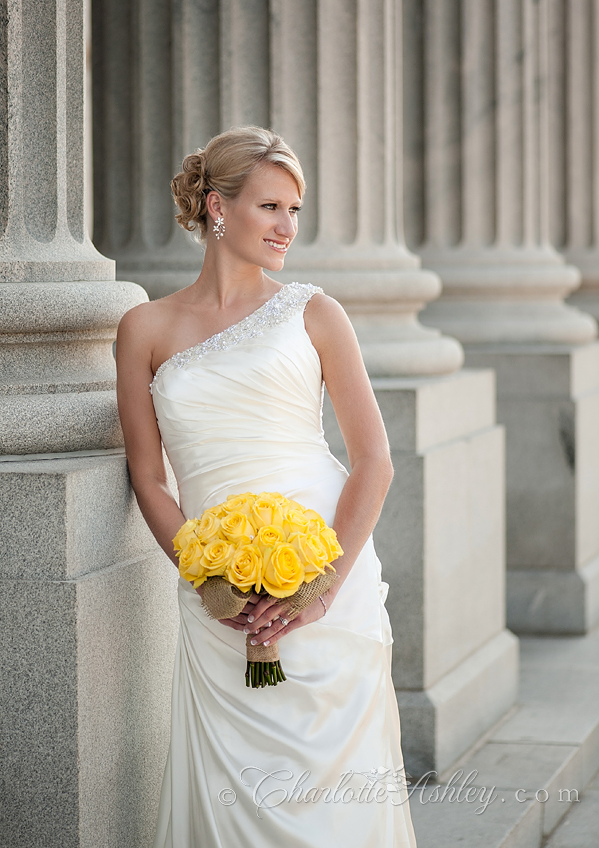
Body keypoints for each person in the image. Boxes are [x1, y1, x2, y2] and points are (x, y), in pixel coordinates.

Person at [116, 125, 418, 848]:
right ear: (217, 207)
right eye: (270, 207)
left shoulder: (314, 312)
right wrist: (204, 574)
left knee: (328, 787)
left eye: (295, 210)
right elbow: (147, 477)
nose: (287, 227)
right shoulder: (144, 327)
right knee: (233, 789)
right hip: (214, 585)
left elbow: (373, 459)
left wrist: (323, 586)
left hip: (323, 567)